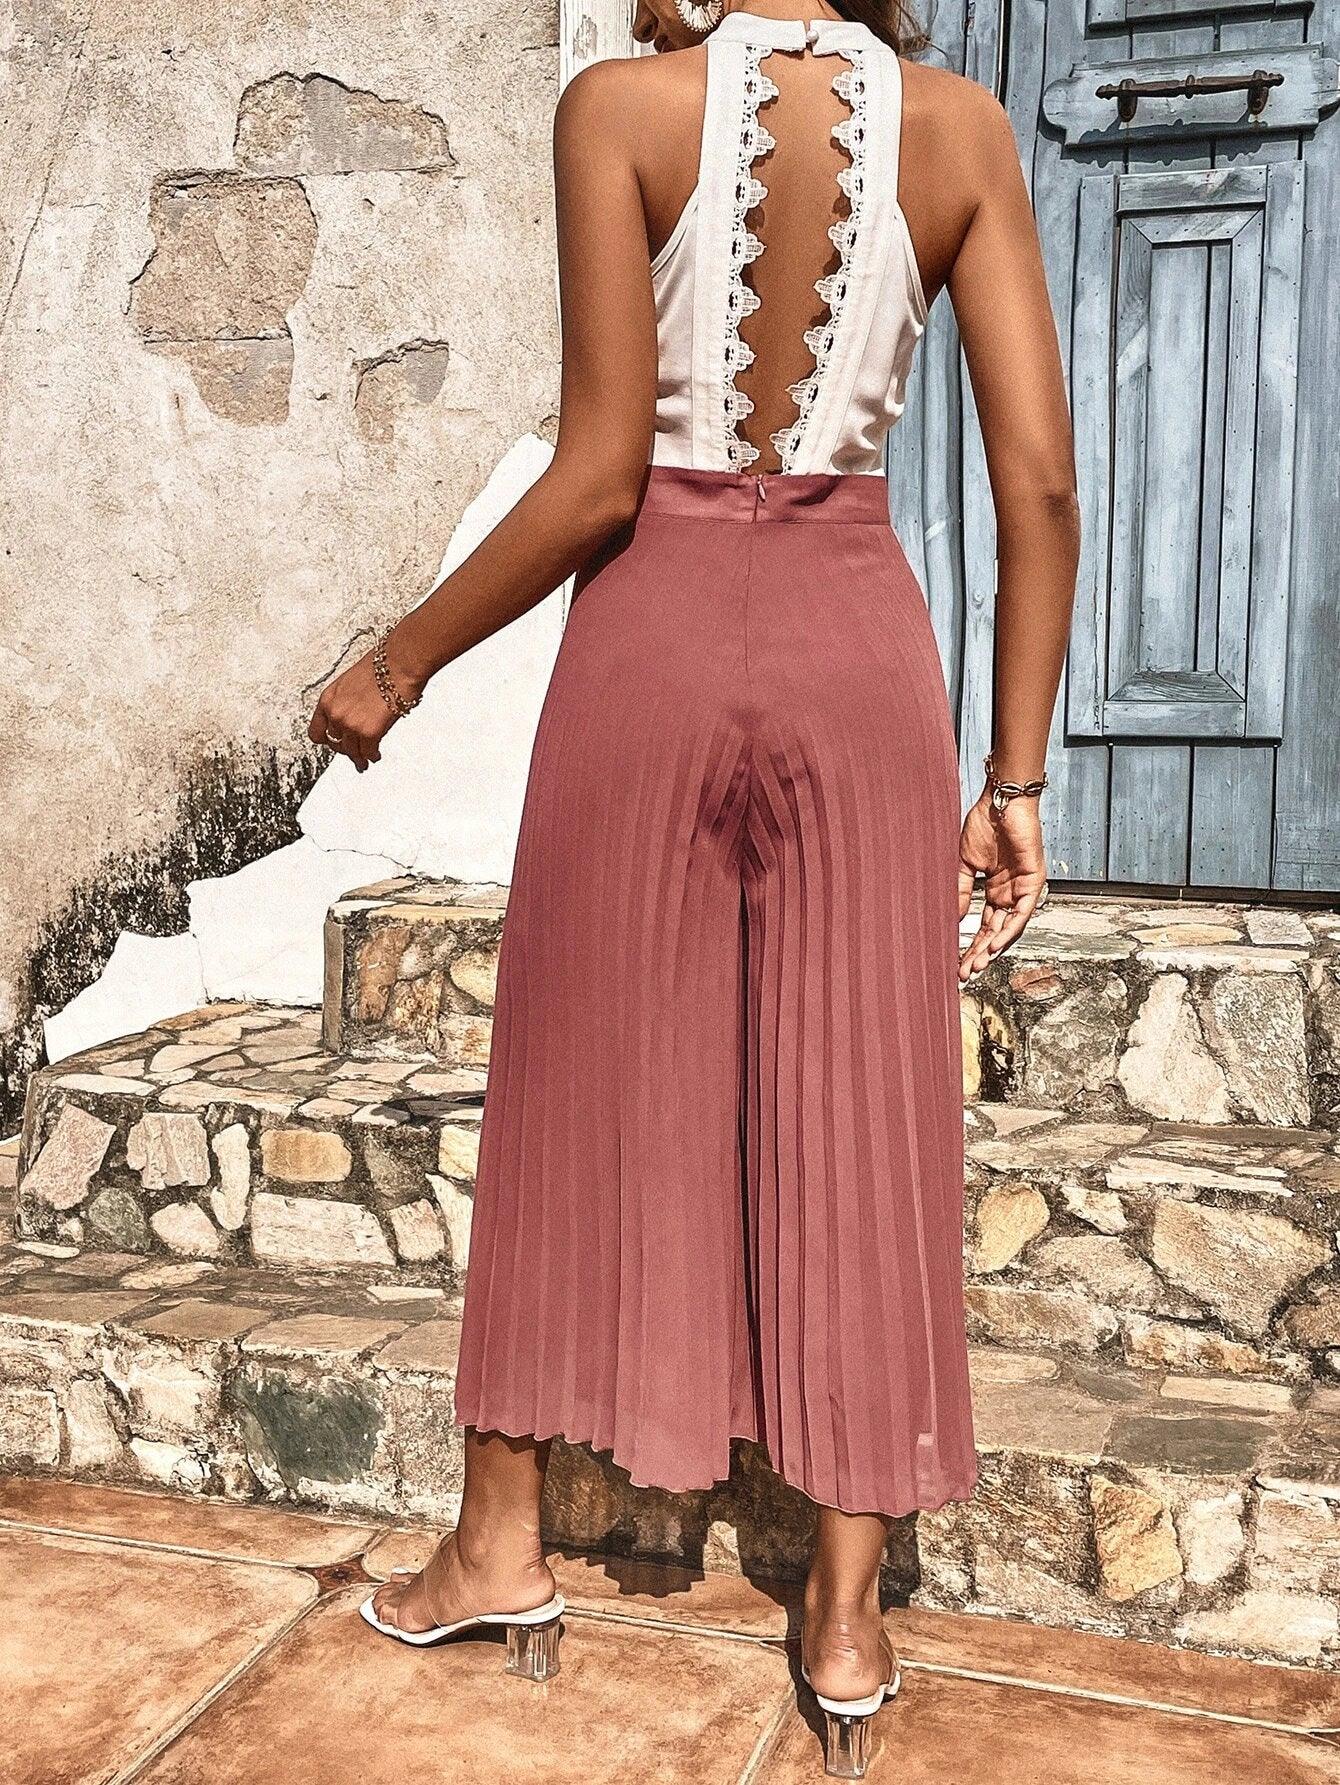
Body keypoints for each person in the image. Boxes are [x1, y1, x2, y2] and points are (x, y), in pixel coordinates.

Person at [310, 1, 1078, 1774]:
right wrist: (1016, 778)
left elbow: (598, 479)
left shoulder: (621, 109)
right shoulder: (961, 128)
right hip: (854, 646)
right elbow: (1038, 480)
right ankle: (848, 1612)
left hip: (651, 635)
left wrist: (398, 662)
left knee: (573, 1080)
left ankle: (499, 1543)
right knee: (864, 1104)